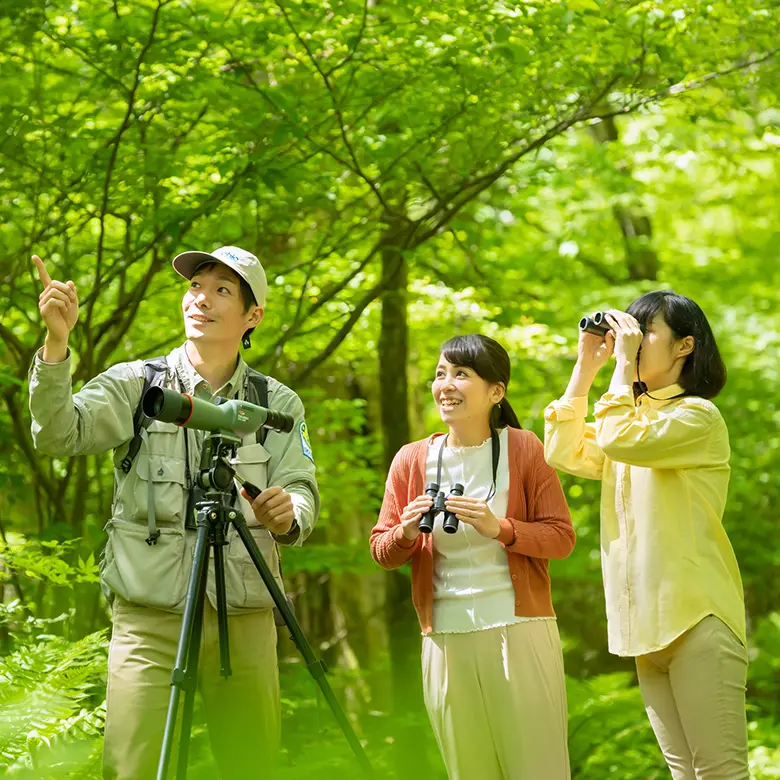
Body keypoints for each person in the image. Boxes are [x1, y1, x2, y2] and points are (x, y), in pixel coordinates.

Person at [29, 246, 320, 780]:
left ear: (252, 316)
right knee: (135, 766)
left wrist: (289, 511)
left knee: (250, 764)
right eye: (194, 287)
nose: (201, 299)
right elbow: (58, 433)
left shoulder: (275, 403)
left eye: (222, 290)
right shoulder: (138, 384)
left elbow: (301, 486)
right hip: (149, 617)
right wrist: (56, 343)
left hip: (246, 614)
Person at [544, 291, 748, 780]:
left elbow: (617, 439)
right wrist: (587, 367)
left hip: (698, 620)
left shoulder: (696, 418)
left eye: (644, 332)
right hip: (645, 631)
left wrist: (620, 373)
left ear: (684, 346)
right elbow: (563, 451)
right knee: (684, 774)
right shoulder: (631, 419)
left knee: (720, 773)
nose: (631, 344)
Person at [370, 334, 575, 780]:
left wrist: (499, 528)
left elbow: (561, 538)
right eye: (440, 374)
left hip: (519, 630)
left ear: (496, 392)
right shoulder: (410, 460)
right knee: (469, 771)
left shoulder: (525, 449)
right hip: (444, 636)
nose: (446, 384)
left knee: (537, 769)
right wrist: (405, 532)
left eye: (461, 374)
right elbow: (382, 550)